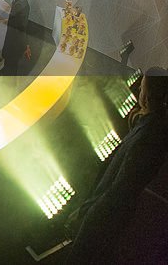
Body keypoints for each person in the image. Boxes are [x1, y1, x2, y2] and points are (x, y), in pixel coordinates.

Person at [67, 69, 168, 263]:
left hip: (101, 225)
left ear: (149, 95)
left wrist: (86, 215)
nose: (139, 87)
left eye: (144, 85)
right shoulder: (147, 127)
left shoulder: (148, 137)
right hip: (103, 220)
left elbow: (118, 191)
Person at [0, 0, 31, 76]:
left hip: (13, 48)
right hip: (17, 46)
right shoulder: (23, 1)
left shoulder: (18, 5)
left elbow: (17, 28)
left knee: (9, 71)